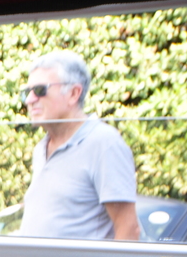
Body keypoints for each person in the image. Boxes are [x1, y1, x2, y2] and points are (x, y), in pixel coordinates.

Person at [17, 50, 140, 240]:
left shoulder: (104, 143)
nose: (30, 100)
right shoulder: (41, 149)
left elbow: (128, 229)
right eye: (26, 92)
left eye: (40, 90)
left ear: (74, 93)